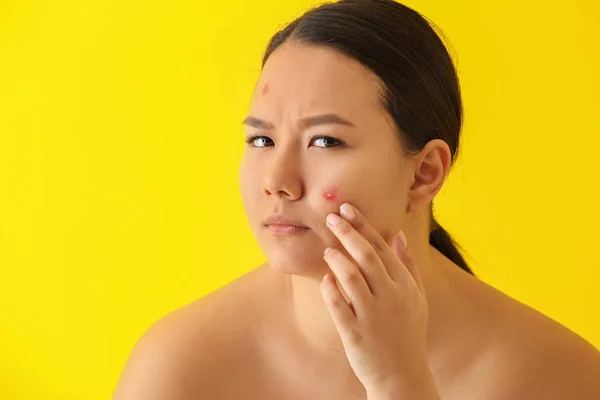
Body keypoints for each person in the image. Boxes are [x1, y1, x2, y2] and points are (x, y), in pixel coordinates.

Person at [112, 0, 600, 398]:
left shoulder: (559, 378)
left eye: (324, 142)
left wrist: (399, 385)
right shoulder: (180, 366)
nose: (276, 180)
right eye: (262, 141)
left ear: (424, 173)